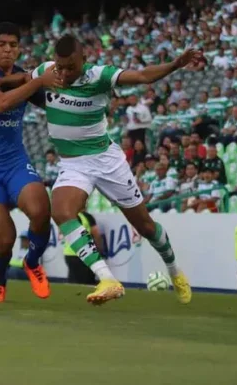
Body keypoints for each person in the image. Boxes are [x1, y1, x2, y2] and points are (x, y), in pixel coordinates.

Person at [28, 34, 196, 305]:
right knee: (61, 211)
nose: (64, 72)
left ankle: (175, 271)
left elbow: (142, 76)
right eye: (60, 66)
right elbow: (25, 82)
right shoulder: (46, 72)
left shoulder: (100, 76)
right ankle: (106, 278)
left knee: (145, 226)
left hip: (106, 161)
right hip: (73, 164)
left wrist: (176, 64)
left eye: (71, 66)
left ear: (84, 60)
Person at [0, 22, 54, 303]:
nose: (7, 49)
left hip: (15, 161)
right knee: (5, 238)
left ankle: (33, 261)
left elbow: (52, 102)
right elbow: (0, 104)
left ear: (19, 49)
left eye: (13, 45)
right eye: (1, 44)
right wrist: (37, 80)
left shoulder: (24, 76)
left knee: (41, 210)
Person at [64, 210, 103, 285]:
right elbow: (96, 234)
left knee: (73, 281)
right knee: (87, 282)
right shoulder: (87, 217)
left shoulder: (68, 216)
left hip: (69, 253)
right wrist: (99, 249)